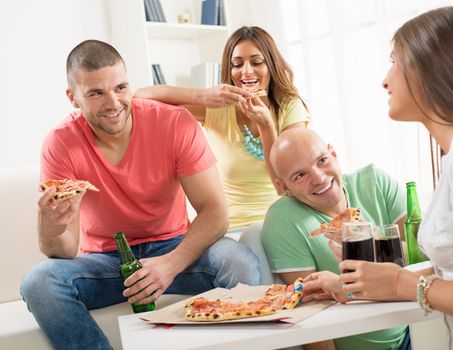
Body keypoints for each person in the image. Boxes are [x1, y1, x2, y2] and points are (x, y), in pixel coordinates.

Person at [302, 6, 453, 350]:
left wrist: (399, 285)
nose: (385, 79)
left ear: (431, 66)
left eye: (394, 61)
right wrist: (360, 284)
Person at [20, 40, 260, 350]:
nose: (114, 103)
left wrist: (169, 265)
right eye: (96, 93)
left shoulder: (173, 123)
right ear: (73, 98)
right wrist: (48, 231)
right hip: (106, 263)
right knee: (39, 283)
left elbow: (216, 212)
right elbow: (64, 251)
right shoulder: (60, 144)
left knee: (239, 261)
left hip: (177, 249)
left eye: (120, 87)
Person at [135, 26, 309, 232]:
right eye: (237, 64)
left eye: (256, 62)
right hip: (232, 229)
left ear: (271, 65)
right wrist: (202, 96)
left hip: (282, 222)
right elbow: (141, 96)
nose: (246, 71)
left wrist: (266, 126)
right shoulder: (216, 108)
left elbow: (286, 185)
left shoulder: (289, 106)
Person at [261, 128, 408, 350]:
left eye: (321, 160)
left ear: (334, 154)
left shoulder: (376, 181)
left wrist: (370, 243)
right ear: (283, 188)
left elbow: (425, 256)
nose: (319, 178)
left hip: (419, 331)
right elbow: (311, 318)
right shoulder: (283, 220)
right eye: (300, 175)